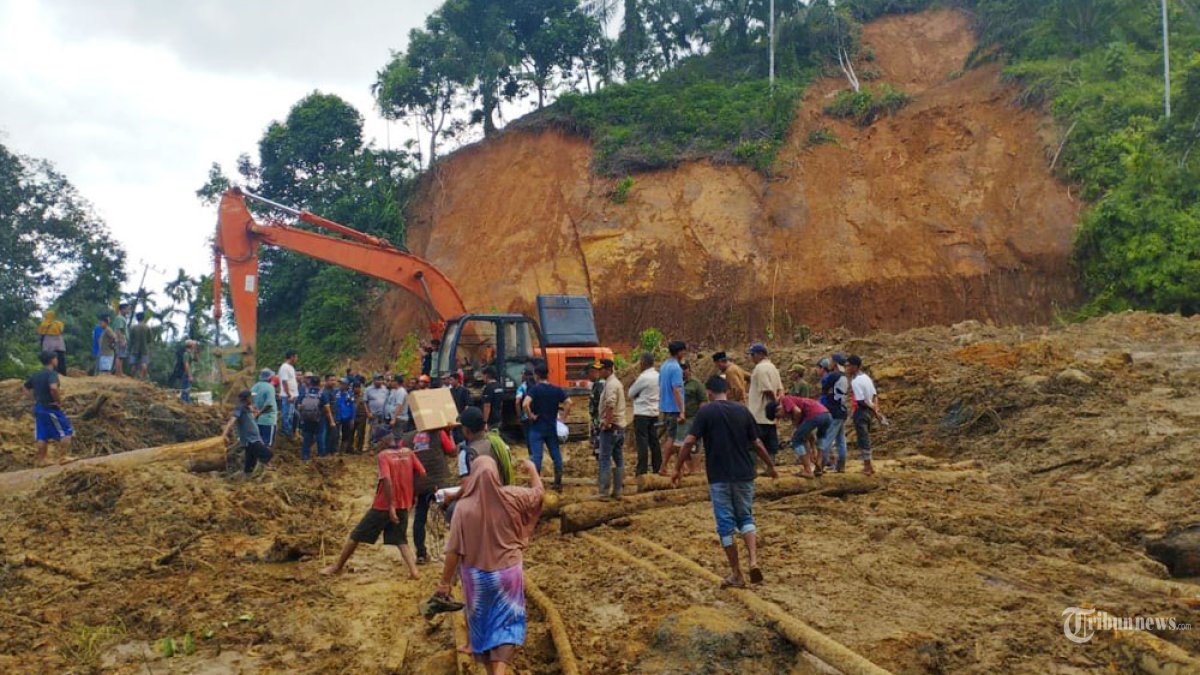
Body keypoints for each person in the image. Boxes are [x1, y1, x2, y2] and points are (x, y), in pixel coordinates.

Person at [431, 456, 544, 674]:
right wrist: (531, 470)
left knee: (481, 623)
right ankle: (499, 670)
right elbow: (539, 494)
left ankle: (485, 662)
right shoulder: (513, 496)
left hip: (477, 578)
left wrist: (445, 583)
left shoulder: (462, 509)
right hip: (508, 573)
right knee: (507, 624)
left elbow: (453, 550)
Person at [672, 375, 778, 589]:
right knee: (746, 517)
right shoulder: (742, 410)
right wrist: (770, 465)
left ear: (709, 392)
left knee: (725, 526)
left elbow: (690, 441)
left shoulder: (706, 412)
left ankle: (736, 574)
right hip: (744, 473)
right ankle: (754, 561)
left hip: (719, 476)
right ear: (727, 391)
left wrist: (677, 468)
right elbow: (756, 443)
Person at [322, 430, 426, 578]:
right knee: (400, 538)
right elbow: (422, 473)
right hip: (403, 504)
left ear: (383, 441)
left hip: (383, 505)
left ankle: (337, 566)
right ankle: (414, 571)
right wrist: (412, 494)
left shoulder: (383, 456)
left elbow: (387, 480)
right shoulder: (409, 452)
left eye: (377, 442)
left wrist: (390, 506)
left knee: (356, 535)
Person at [408, 424, 457, 565]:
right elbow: (452, 451)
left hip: (419, 483)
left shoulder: (409, 437)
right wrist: (450, 434)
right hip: (438, 483)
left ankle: (421, 554)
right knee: (451, 513)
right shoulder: (439, 433)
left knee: (420, 517)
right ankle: (457, 548)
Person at [521, 363, 570, 491]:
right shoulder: (556, 389)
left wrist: (530, 415)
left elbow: (525, 404)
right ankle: (558, 482)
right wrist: (563, 418)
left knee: (537, 456)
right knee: (556, 454)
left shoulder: (535, 389)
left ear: (536, 375)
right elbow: (569, 403)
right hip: (551, 427)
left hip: (537, 427)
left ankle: (535, 485)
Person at [24, 351, 74, 466]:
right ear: (52, 360)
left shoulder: (36, 374)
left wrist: (34, 398)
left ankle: (42, 460)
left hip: (39, 407)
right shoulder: (52, 374)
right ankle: (63, 457)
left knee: (42, 434)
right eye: (56, 359)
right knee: (66, 430)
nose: (57, 361)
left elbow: (25, 387)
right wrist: (58, 401)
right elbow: (53, 388)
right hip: (50, 407)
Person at [769, 395, 832, 478]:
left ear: (778, 409)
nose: (782, 418)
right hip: (827, 415)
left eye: (778, 417)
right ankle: (819, 465)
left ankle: (807, 470)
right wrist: (813, 449)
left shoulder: (785, 399)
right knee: (821, 436)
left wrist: (797, 425)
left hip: (815, 415)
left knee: (796, 440)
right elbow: (810, 435)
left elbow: (797, 411)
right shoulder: (800, 408)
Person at [222, 390, 274, 477]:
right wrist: (224, 434)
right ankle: (263, 472)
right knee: (267, 454)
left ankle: (247, 478)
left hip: (253, 439)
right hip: (250, 440)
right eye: (251, 397)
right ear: (247, 398)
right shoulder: (240, 408)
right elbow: (232, 420)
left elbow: (250, 421)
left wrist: (257, 412)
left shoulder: (247, 408)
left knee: (250, 464)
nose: (252, 398)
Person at [846, 355, 883, 476]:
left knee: (863, 439)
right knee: (866, 437)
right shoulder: (866, 377)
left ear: (855, 366)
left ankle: (867, 466)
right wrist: (875, 409)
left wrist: (871, 407)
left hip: (861, 411)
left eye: (848, 366)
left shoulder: (855, 381)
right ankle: (868, 465)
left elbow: (861, 400)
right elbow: (874, 395)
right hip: (869, 412)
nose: (847, 368)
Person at [596, 358, 627, 499]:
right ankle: (618, 490)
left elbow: (610, 405)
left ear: (608, 369)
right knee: (619, 458)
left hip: (611, 427)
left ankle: (604, 491)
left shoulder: (611, 385)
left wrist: (606, 423)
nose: (598, 372)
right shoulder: (615, 383)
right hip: (620, 427)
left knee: (605, 458)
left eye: (600, 369)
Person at [747, 343, 783, 463]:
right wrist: (777, 405)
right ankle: (770, 465)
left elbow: (766, 389)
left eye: (753, 355)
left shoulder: (760, 368)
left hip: (759, 413)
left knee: (754, 442)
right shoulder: (773, 368)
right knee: (771, 442)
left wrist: (773, 403)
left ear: (761, 354)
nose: (751, 358)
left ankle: (753, 467)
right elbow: (780, 389)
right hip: (770, 416)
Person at [627, 353, 661, 475]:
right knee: (654, 441)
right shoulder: (658, 376)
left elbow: (630, 393)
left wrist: (637, 395)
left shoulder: (643, 377)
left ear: (643, 363)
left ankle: (642, 470)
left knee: (642, 443)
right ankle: (657, 467)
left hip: (642, 413)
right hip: (654, 412)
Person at [658, 341, 687, 475]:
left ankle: (676, 466)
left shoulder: (664, 366)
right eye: (683, 351)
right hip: (674, 407)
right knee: (673, 438)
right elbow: (676, 389)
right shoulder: (676, 368)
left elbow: (661, 385)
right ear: (679, 352)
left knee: (670, 437)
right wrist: (682, 410)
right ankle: (664, 466)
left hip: (665, 406)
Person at [817, 356, 850, 472]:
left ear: (835, 363)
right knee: (841, 440)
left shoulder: (833, 376)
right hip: (842, 410)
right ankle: (841, 466)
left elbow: (825, 389)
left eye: (831, 362)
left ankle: (820, 465)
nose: (829, 364)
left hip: (834, 411)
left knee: (827, 439)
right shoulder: (844, 377)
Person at [679, 361, 706, 475]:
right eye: (680, 369)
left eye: (685, 368)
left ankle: (695, 471)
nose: (683, 371)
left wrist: (699, 418)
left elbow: (703, 401)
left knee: (695, 446)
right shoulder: (676, 384)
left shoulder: (696, 384)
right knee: (681, 445)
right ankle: (686, 470)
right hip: (680, 420)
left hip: (693, 419)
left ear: (689, 369)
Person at [298, 376, 328, 461]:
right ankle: (321, 457)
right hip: (319, 420)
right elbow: (327, 409)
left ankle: (305, 456)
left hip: (306, 420)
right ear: (319, 383)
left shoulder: (304, 392)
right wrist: (332, 421)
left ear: (310, 383)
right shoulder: (322, 394)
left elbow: (299, 407)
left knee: (307, 438)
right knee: (320, 438)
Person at [250, 369, 279, 448]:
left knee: (258, 443)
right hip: (268, 420)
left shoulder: (255, 386)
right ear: (270, 378)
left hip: (256, 420)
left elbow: (250, 400)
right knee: (267, 445)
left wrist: (254, 411)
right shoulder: (270, 387)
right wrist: (260, 412)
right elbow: (269, 404)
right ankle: (265, 460)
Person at [37, 311, 67, 376]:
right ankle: (63, 375)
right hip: (59, 345)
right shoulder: (58, 324)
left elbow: (41, 334)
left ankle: (52, 374)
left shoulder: (43, 324)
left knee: (50, 360)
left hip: (48, 345)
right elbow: (61, 331)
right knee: (61, 360)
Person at [278, 350, 300, 439]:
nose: (297, 359)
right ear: (292, 357)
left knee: (294, 415)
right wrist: (288, 394)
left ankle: (292, 432)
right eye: (296, 357)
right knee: (287, 416)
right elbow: (284, 381)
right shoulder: (285, 367)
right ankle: (287, 433)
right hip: (288, 396)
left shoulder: (291, 367)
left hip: (293, 396)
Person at [586, 361, 604, 457]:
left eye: (588, 374)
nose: (588, 378)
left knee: (599, 441)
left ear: (592, 372)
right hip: (596, 418)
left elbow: (602, 402)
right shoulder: (596, 384)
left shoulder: (600, 384)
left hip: (599, 418)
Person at [365, 373, 390, 440]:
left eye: (381, 380)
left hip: (383, 414)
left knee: (382, 430)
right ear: (373, 380)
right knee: (373, 431)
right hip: (373, 414)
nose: (379, 381)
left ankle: (379, 445)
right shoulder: (368, 389)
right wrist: (368, 413)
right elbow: (365, 402)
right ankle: (371, 445)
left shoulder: (385, 389)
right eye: (377, 380)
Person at [127, 312, 152, 380]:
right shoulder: (147, 327)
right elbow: (149, 340)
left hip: (135, 349)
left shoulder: (133, 327)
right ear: (143, 318)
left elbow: (131, 339)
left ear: (137, 318)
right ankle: (142, 378)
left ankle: (132, 378)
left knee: (133, 364)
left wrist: (129, 348)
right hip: (144, 349)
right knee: (144, 363)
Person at [480, 367, 505, 432]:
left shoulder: (488, 388)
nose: (482, 378)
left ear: (486, 375)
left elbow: (487, 406)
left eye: (482, 376)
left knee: (490, 438)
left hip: (491, 420)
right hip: (498, 418)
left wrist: (485, 422)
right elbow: (501, 403)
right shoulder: (500, 386)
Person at [336, 378, 357, 454]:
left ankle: (343, 451)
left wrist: (352, 418)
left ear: (347, 385)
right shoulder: (336, 393)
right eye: (340, 383)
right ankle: (336, 449)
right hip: (337, 416)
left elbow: (353, 406)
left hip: (346, 417)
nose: (341, 385)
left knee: (345, 434)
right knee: (336, 434)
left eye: (343, 384)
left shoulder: (350, 394)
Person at [322, 374, 341, 451]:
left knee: (335, 435)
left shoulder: (334, 391)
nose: (334, 382)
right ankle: (328, 452)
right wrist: (331, 420)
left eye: (334, 380)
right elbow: (327, 408)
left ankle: (333, 451)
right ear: (326, 381)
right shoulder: (325, 392)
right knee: (330, 435)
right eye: (331, 380)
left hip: (335, 416)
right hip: (328, 417)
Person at [351, 381, 370, 453]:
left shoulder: (364, 396)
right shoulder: (350, 396)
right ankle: (350, 448)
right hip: (352, 417)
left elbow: (367, 405)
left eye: (358, 387)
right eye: (355, 388)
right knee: (351, 433)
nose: (357, 389)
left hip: (362, 416)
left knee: (361, 433)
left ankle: (359, 448)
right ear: (353, 388)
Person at [112, 303, 130, 376]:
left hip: (121, 339)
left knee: (121, 356)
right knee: (119, 356)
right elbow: (118, 330)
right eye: (127, 309)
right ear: (122, 309)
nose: (128, 311)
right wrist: (122, 340)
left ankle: (120, 372)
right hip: (120, 340)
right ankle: (118, 373)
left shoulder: (122, 318)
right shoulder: (119, 318)